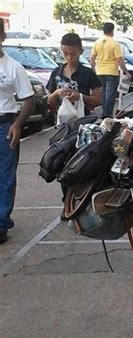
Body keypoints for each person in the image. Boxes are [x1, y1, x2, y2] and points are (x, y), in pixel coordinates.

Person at [46, 33, 102, 213]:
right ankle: (67, 202)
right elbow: (49, 101)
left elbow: (98, 99)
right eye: (66, 54)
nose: (69, 57)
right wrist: (56, 94)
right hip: (62, 128)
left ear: (80, 52)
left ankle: (81, 199)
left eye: (73, 54)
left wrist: (80, 97)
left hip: (84, 127)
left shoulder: (87, 73)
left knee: (82, 164)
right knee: (62, 164)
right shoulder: (57, 73)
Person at [0, 18, 35, 243]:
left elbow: (29, 100)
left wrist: (17, 125)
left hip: (5, 126)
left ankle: (1, 224)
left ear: (2, 37)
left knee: (5, 177)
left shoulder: (13, 67)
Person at [90, 22, 131, 118]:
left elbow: (92, 59)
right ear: (112, 30)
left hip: (100, 72)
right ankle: (107, 115)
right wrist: (126, 72)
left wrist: (93, 70)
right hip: (112, 72)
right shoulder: (114, 43)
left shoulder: (97, 42)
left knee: (104, 94)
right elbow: (120, 60)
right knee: (110, 96)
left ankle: (104, 113)